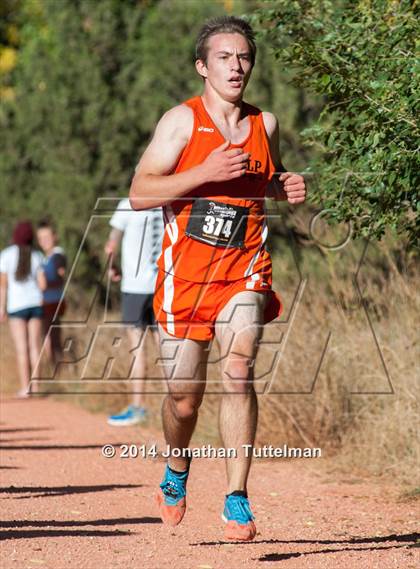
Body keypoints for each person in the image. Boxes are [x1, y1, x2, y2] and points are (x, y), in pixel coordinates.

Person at [129, 16, 306, 541]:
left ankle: (236, 498)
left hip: (243, 269)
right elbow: (140, 193)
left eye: (244, 57)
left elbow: (256, 184)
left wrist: (282, 187)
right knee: (184, 397)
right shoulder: (180, 123)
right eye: (225, 57)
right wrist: (203, 171)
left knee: (238, 369)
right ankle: (177, 469)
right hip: (184, 278)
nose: (236, 65)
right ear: (203, 67)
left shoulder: (264, 124)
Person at [105, 198, 164, 426]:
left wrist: (112, 268)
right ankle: (174, 406)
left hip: (134, 288)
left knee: (138, 351)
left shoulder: (127, 204)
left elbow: (111, 246)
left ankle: (138, 407)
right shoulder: (166, 202)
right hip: (162, 285)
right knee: (166, 349)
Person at [0, 221, 44, 397]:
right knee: (35, 347)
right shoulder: (38, 255)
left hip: (16, 306)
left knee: (22, 349)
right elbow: (43, 284)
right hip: (35, 304)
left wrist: (1, 308)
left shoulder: (6, 255)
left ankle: (26, 387)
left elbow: (3, 286)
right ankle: (37, 387)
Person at [36, 220, 67, 366]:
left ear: (54, 236)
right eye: (41, 238)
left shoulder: (57, 255)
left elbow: (62, 277)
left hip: (53, 302)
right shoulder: (45, 257)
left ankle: (56, 367)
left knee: (53, 337)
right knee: (47, 336)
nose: (44, 241)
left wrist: (44, 284)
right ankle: (52, 366)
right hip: (46, 302)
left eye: (47, 237)